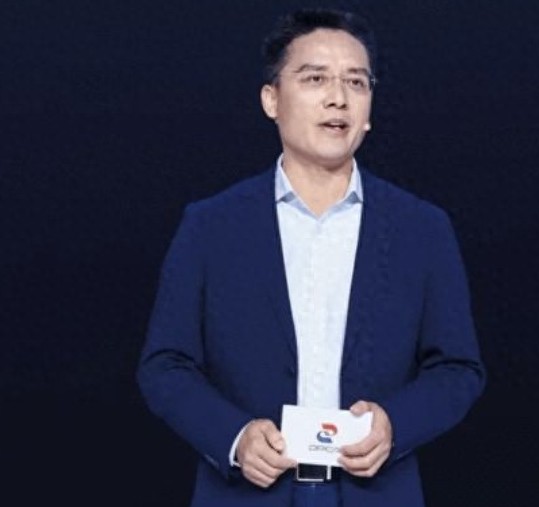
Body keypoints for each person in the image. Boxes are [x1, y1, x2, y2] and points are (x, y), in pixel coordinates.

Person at [137, 8, 485, 507]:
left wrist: (395, 425)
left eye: (356, 82)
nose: (338, 97)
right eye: (315, 78)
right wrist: (234, 438)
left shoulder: (422, 228)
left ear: (369, 107)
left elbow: (458, 368)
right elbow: (164, 364)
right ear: (271, 100)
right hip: (248, 494)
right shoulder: (210, 225)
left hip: (373, 494)